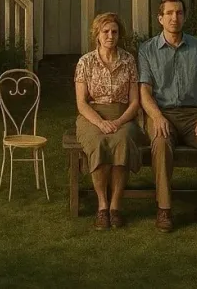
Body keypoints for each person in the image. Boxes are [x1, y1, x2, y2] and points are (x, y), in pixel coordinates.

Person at [138, 0, 197, 232]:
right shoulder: (147, 50)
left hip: (194, 115)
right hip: (162, 113)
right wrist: (156, 117)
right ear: (160, 19)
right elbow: (144, 91)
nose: (174, 18)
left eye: (179, 13)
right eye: (169, 13)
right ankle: (164, 209)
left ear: (184, 17)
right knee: (161, 143)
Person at [74, 12, 143, 230]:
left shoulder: (129, 61)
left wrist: (121, 120)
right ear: (97, 34)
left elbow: (135, 102)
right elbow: (82, 103)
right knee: (99, 142)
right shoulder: (85, 62)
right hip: (92, 115)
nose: (110, 36)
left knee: (122, 141)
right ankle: (102, 207)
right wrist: (100, 123)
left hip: (123, 114)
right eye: (106, 32)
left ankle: (115, 207)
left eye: (114, 31)